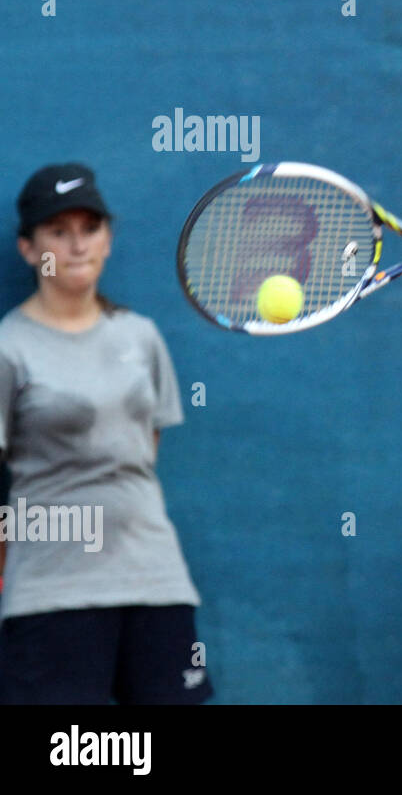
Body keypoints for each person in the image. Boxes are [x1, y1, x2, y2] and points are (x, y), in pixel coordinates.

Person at [0, 163, 211, 704]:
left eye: (89, 229)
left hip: (155, 581)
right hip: (51, 593)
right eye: (58, 232)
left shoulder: (141, 337)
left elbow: (141, 455)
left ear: (109, 239)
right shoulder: (8, 349)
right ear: (28, 249)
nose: (76, 246)